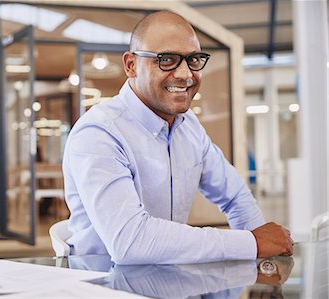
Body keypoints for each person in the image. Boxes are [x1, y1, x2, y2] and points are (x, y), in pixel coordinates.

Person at [62, 10, 293, 264]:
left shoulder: (188, 126)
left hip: (167, 281)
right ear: (131, 66)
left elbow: (235, 196)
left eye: (194, 59)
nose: (185, 74)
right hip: (104, 284)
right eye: (167, 59)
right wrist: (250, 243)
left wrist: (263, 260)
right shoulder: (99, 133)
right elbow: (131, 243)